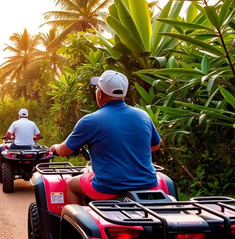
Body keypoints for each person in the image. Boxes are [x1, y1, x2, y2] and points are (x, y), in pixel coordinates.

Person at [50, 70, 161, 205]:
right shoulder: (143, 115)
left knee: (72, 185)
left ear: (100, 93)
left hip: (108, 188)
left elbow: (64, 150)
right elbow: (155, 146)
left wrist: (55, 148)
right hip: (148, 185)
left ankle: (72, 223)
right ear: (124, 94)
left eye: (97, 88)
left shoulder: (90, 121)